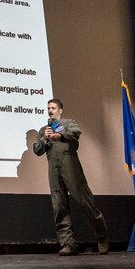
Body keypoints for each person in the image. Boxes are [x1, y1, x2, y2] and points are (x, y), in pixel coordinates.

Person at [33, 99, 109, 255]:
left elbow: (75, 133)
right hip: (53, 169)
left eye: (53, 108)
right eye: (48, 108)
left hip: (70, 166)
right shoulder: (43, 130)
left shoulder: (68, 123)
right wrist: (44, 139)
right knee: (59, 206)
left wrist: (59, 136)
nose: (50, 110)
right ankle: (68, 244)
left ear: (60, 110)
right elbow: (37, 150)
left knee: (84, 201)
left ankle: (101, 236)